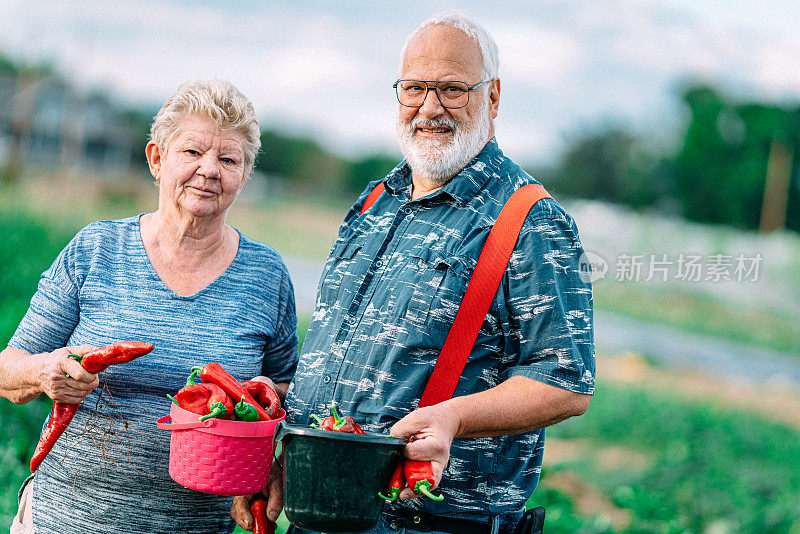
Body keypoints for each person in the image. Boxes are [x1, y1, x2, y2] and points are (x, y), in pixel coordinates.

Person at [233, 10, 595, 534]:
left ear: (492, 98)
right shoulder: (375, 201)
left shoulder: (531, 219)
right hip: (322, 508)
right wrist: (288, 455)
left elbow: (566, 382)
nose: (430, 107)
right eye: (414, 88)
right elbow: (332, 357)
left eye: (452, 89)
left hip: (435, 520)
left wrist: (454, 418)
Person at [0, 79, 299, 534]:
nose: (210, 170)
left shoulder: (267, 275)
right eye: (192, 152)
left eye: (228, 159)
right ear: (157, 159)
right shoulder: (96, 248)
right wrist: (44, 370)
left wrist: (260, 448)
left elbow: (283, 389)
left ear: (244, 176)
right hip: (67, 519)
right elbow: (8, 371)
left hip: (197, 526)